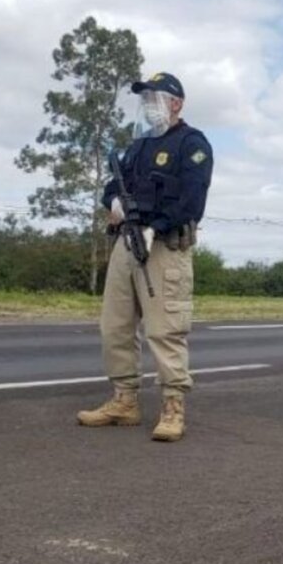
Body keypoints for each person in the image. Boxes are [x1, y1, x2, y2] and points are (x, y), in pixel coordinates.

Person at [77, 72, 214, 443]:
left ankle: (173, 406)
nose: (148, 105)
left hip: (165, 245)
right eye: (145, 100)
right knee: (115, 325)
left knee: (164, 329)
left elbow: (192, 200)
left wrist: (159, 225)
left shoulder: (192, 143)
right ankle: (124, 400)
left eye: (155, 99)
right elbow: (112, 186)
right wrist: (115, 202)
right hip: (127, 242)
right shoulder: (138, 145)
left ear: (176, 103)